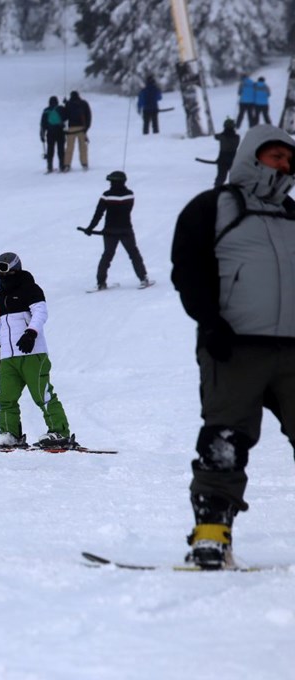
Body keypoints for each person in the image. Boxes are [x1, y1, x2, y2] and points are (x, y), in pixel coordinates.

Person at [170, 124, 295, 570]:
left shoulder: (291, 213)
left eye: (287, 158)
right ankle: (211, 535)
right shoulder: (214, 206)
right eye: (273, 156)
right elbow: (187, 267)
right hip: (234, 347)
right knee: (225, 438)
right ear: (250, 156)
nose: (282, 164)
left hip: (293, 349)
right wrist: (210, 322)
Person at [0, 252, 77, 450]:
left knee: (42, 394)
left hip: (32, 353)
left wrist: (31, 333)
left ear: (14, 269)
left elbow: (40, 312)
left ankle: (59, 431)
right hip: (8, 356)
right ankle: (10, 434)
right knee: (5, 397)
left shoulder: (30, 288)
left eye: (2, 268)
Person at [82, 170, 151, 290]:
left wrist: (90, 228)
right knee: (134, 254)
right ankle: (143, 278)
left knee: (107, 256)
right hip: (126, 230)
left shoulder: (107, 195)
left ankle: (101, 283)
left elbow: (98, 213)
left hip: (109, 231)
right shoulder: (130, 195)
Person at [62, 90, 92, 172]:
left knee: (69, 148)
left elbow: (64, 117)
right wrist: (87, 128)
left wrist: (65, 105)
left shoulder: (68, 104)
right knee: (83, 147)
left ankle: (67, 164)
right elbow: (88, 115)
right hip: (82, 129)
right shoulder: (84, 103)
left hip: (71, 129)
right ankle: (84, 163)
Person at [39, 96, 65, 173]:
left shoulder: (46, 111)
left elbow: (43, 124)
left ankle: (50, 167)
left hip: (50, 133)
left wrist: (42, 135)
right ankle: (62, 166)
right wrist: (66, 103)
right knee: (61, 150)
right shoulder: (60, 109)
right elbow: (66, 117)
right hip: (60, 131)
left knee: (50, 150)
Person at [212, 118, 240, 188]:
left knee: (221, 177)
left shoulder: (222, 136)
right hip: (233, 159)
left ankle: (216, 191)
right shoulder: (237, 137)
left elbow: (216, 136)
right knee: (235, 178)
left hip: (222, 160)